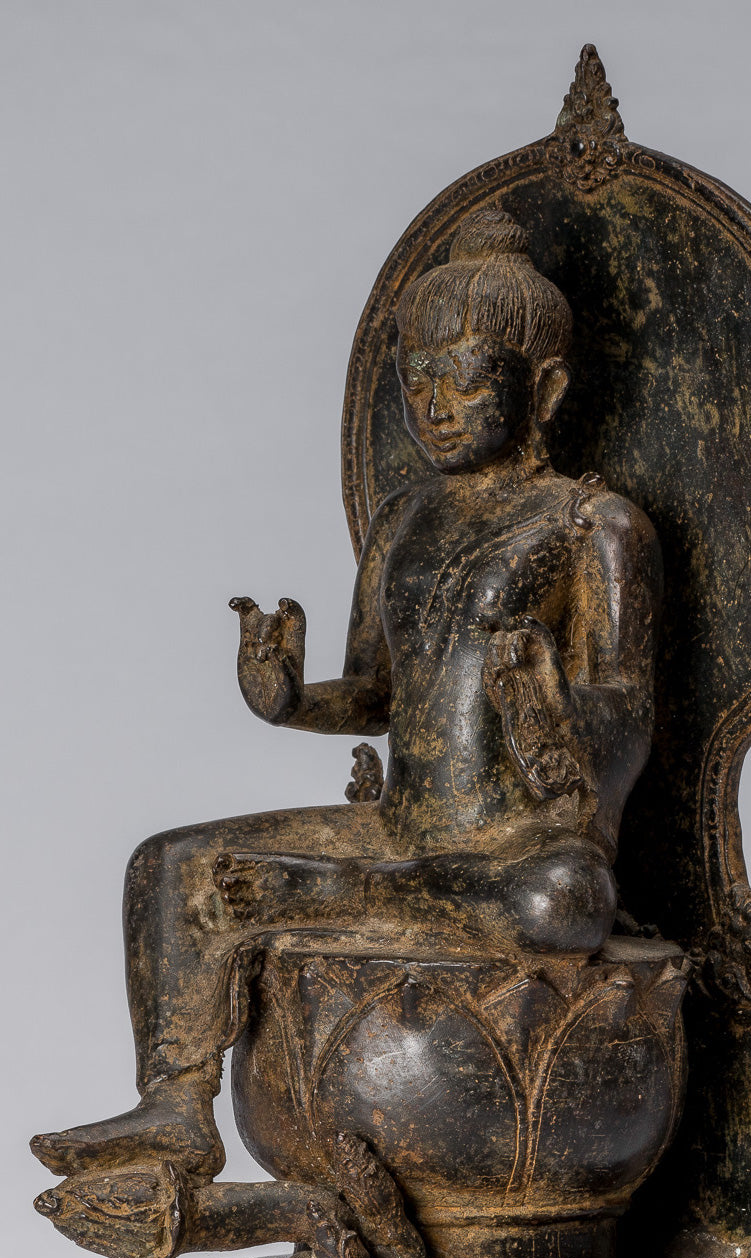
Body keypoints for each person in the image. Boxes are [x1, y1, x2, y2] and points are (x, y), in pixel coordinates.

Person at [31, 208, 661, 1184]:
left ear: (542, 390)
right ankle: (175, 1107)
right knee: (169, 864)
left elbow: (630, 712)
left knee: (564, 901)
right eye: (416, 382)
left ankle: (335, 892)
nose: (436, 406)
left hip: (521, 842)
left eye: (466, 379)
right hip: (406, 826)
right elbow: (377, 694)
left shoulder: (593, 525)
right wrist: (291, 700)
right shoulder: (402, 519)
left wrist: (553, 708)